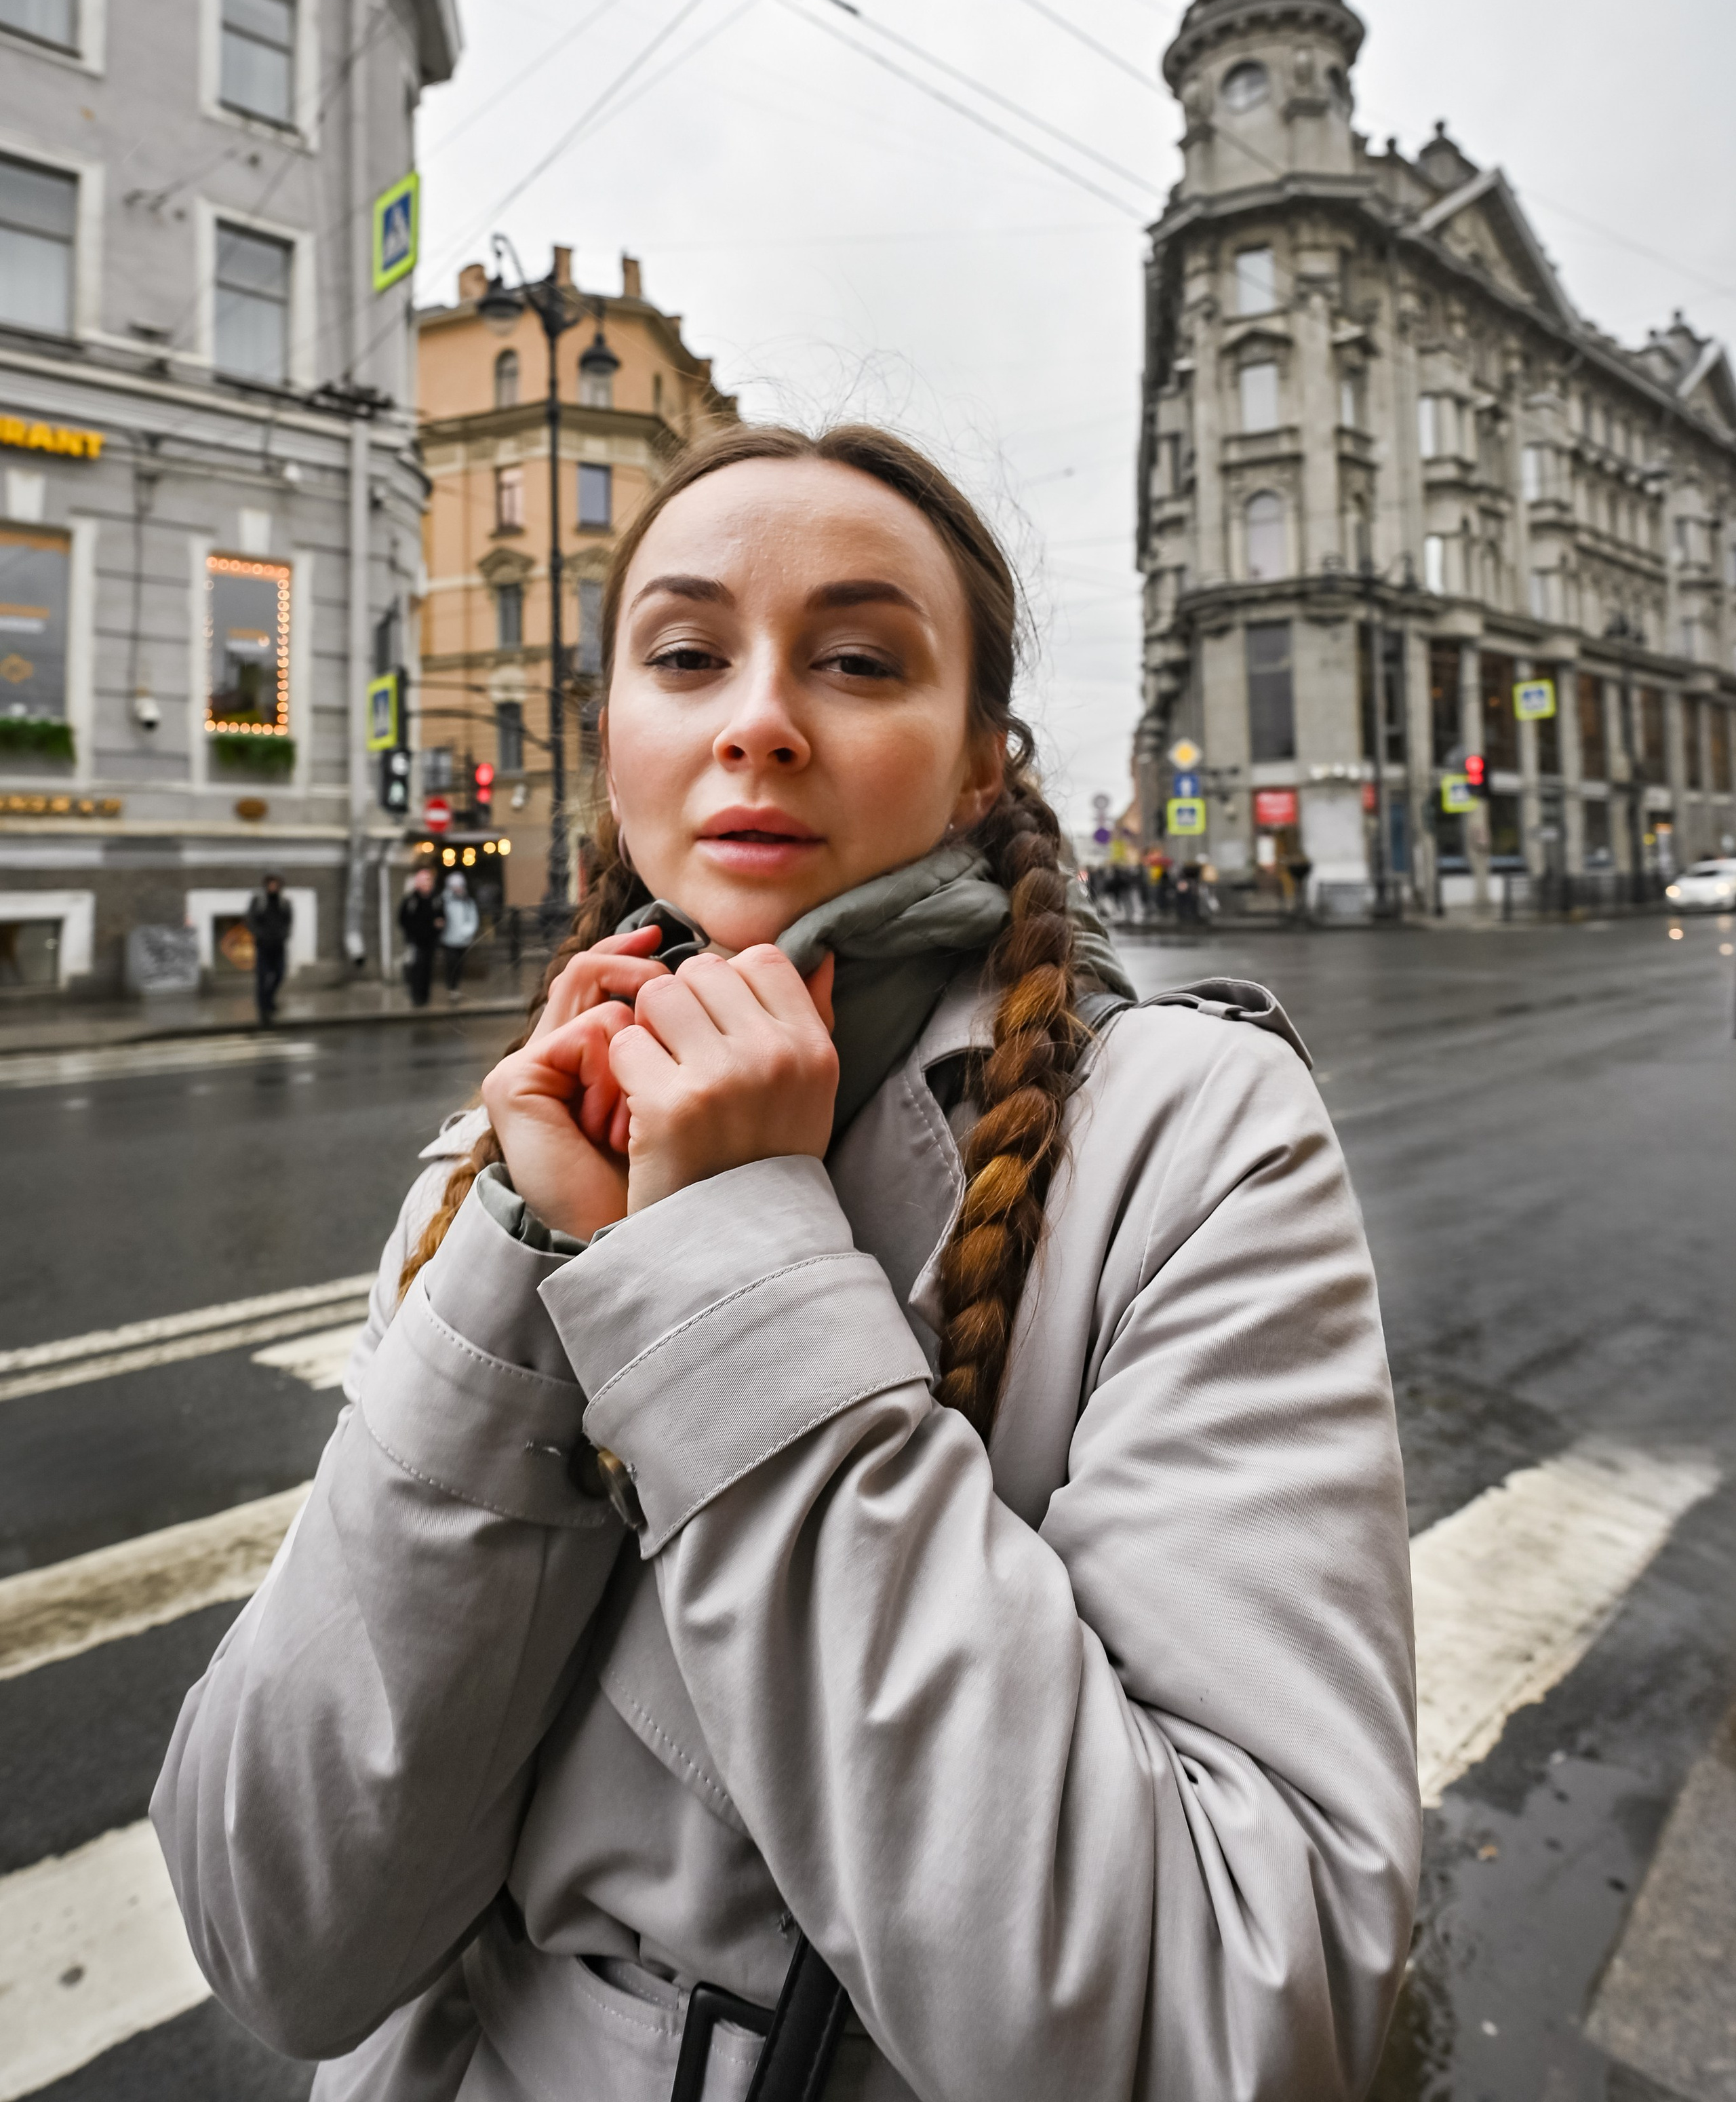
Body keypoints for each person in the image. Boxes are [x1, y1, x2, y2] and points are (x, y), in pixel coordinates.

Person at [155, 425, 1419, 2102]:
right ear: (613, 737)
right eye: (684, 655)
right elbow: (279, 1938)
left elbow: (1232, 2026)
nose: (756, 718)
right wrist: (530, 1264)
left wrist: (724, 1259)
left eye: (855, 659)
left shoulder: (1187, 1139)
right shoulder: (496, 1170)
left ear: (979, 764)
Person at [244, 874, 292, 1025]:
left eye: (276, 884)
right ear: (266, 885)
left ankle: (269, 1000)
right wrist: (260, 935)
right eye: (271, 884)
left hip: (278, 946)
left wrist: (284, 935)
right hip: (263, 946)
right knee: (262, 978)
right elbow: (250, 920)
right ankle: (263, 1010)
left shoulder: (284, 903)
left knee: (279, 974)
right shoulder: (259, 902)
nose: (273, 887)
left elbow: (288, 921)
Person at [397, 866, 442, 1009]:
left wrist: (439, 925)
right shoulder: (411, 900)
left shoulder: (436, 899)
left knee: (428, 968)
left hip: (430, 940)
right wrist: (413, 932)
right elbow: (403, 919)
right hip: (416, 941)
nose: (428, 885)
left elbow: (441, 915)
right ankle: (416, 996)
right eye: (425, 882)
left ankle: (425, 996)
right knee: (417, 968)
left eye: (429, 882)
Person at [439, 871, 479, 1000]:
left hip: (463, 940)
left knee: (459, 965)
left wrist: (467, 932)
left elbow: (473, 919)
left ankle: (455, 987)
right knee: (451, 963)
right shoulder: (444, 901)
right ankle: (452, 987)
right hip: (449, 939)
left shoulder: (468, 902)